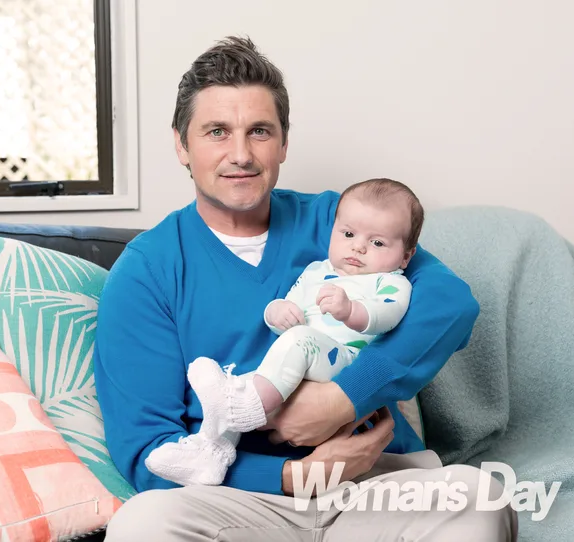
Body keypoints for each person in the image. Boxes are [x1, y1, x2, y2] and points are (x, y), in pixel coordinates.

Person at [94, 36, 518, 541]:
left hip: (374, 480)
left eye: (259, 131)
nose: (240, 154)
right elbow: (147, 449)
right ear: (182, 144)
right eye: (217, 132)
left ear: (284, 143)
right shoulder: (147, 269)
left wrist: (344, 398)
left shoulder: (338, 223)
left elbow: (450, 304)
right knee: (141, 525)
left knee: (478, 496)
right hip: (238, 500)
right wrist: (296, 475)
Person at [144, 178, 423, 487]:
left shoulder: (391, 282)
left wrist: (350, 310)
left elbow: (387, 315)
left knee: (297, 343)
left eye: (378, 243)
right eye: (348, 234)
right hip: (302, 363)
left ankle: (244, 410)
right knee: (242, 385)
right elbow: (290, 307)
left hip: (344, 361)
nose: (358, 247)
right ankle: (211, 452)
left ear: (405, 256)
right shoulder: (316, 271)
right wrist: (276, 312)